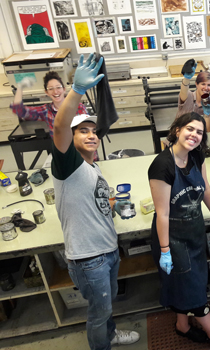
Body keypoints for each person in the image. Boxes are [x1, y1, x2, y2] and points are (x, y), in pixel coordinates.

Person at [52, 53, 140, 350]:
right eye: (82, 131)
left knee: (106, 308)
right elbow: (59, 128)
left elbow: (92, 199)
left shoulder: (91, 166)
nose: (91, 135)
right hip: (90, 259)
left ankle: (110, 335)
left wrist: (111, 204)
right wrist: (76, 90)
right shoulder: (68, 165)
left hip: (107, 250)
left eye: (93, 131)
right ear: (72, 138)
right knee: (98, 312)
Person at [148, 112, 210, 347]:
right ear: (177, 130)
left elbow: (204, 187)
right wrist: (165, 250)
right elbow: (162, 214)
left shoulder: (196, 156)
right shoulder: (162, 165)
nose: (194, 135)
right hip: (172, 238)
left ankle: (182, 326)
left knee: (188, 283)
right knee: (193, 288)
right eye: (190, 129)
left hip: (193, 230)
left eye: (199, 132)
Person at [10, 71, 87, 137]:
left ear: (64, 89)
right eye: (51, 89)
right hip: (62, 151)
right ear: (46, 92)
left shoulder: (78, 107)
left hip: (81, 149)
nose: (55, 92)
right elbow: (19, 110)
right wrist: (20, 88)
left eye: (58, 87)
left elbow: (89, 130)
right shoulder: (46, 111)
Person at [177, 61, 210, 132]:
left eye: (209, 85)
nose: (206, 88)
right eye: (203, 84)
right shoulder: (188, 96)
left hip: (196, 138)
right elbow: (183, 91)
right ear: (196, 84)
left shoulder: (209, 104)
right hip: (179, 136)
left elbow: (208, 129)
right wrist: (186, 79)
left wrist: (206, 115)